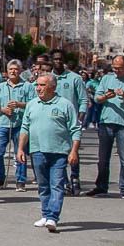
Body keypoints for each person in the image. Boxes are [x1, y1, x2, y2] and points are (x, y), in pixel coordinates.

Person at [17, 73, 81, 232]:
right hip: (37, 151)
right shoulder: (32, 104)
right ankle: (45, 214)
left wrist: (74, 151)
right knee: (43, 185)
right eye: (37, 85)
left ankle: (53, 217)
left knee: (57, 185)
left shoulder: (65, 105)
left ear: (52, 87)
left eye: (42, 85)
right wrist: (20, 149)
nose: (38, 88)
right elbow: (25, 128)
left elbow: (75, 129)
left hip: (59, 152)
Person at [86, 55, 124, 201]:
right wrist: (106, 97)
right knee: (103, 158)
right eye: (114, 68)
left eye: (120, 68)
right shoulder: (106, 79)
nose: (116, 71)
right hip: (106, 121)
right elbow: (97, 98)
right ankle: (101, 186)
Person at [0, 59, 35, 191]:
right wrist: (3, 110)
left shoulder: (28, 86)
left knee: (20, 153)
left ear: (20, 71)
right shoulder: (0, 87)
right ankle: (0, 178)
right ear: (7, 71)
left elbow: (34, 104)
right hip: (3, 124)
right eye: (11, 69)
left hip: (20, 125)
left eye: (16, 69)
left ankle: (21, 180)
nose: (13, 71)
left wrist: (19, 104)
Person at [51, 52, 88, 195]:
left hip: (71, 122)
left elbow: (83, 100)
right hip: (53, 122)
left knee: (73, 152)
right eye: (55, 59)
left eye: (60, 59)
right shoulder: (48, 79)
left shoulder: (75, 78)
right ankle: (64, 181)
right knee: (57, 153)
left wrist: (80, 118)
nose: (58, 61)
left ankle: (75, 177)